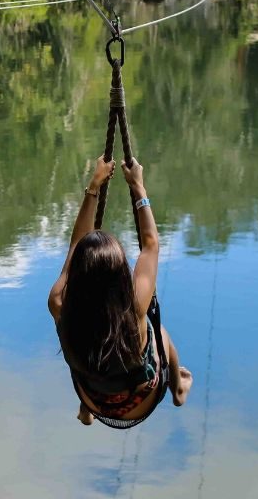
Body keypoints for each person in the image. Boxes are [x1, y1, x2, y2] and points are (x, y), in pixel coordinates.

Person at [48, 155, 192, 426]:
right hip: (139, 403)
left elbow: (76, 244)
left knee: (83, 348)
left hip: (92, 396)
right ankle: (178, 388)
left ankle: (85, 409)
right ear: (119, 276)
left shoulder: (59, 303)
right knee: (158, 333)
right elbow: (150, 244)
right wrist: (138, 186)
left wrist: (95, 185)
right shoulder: (134, 307)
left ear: (78, 273)